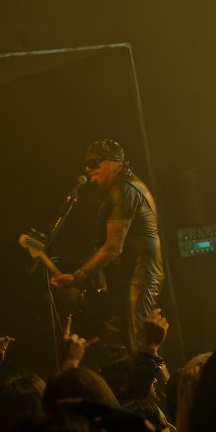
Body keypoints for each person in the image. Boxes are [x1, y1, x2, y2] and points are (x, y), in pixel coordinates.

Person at [50, 139, 164, 356]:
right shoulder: (123, 188)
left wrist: (77, 277)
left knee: (142, 348)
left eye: (95, 162)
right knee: (118, 346)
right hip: (129, 276)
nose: (88, 168)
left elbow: (113, 247)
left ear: (115, 164)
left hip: (139, 276)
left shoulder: (125, 190)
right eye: (87, 163)